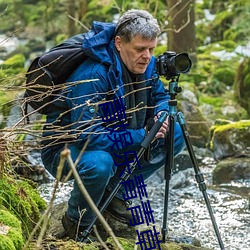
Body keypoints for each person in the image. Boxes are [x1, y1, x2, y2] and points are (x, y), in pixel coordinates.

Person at [41, 9, 185, 241]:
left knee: (175, 132)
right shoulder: (93, 75)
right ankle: (76, 221)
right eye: (140, 49)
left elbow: (159, 96)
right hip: (67, 149)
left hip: (117, 134)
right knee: (100, 164)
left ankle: (114, 191)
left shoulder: (146, 64)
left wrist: (161, 114)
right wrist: (142, 135)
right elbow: (87, 135)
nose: (147, 56)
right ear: (119, 43)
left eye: (151, 49)